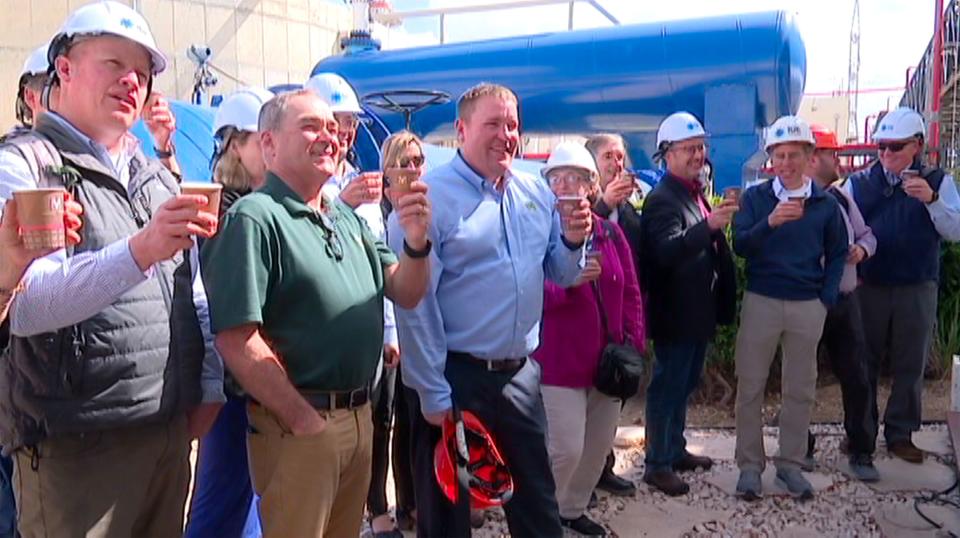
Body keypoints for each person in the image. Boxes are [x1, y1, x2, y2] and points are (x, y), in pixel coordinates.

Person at [0, 2, 226, 535]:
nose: (132, 81)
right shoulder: (28, 163)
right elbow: (27, 306)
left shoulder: (153, 175)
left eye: (143, 73)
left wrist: (211, 381)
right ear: (65, 69)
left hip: (167, 436)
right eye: (113, 63)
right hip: (78, 452)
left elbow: (192, 288)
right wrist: (140, 250)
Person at [201, 89, 432, 538]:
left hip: (358, 419)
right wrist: (302, 418)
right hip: (300, 427)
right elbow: (235, 338)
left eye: (333, 128)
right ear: (267, 144)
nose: (330, 137)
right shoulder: (255, 218)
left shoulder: (345, 217)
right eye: (311, 126)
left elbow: (406, 291)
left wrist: (418, 241)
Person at [389, 82, 592, 538]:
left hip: (520, 375)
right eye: (493, 124)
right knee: (447, 517)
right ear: (461, 130)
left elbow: (558, 273)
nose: (506, 134)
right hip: (454, 378)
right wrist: (432, 393)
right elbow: (415, 306)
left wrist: (574, 241)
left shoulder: (534, 193)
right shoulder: (428, 200)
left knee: (538, 508)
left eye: (513, 124)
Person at [306, 73, 411, 536]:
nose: (344, 133)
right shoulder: (304, 186)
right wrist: (342, 204)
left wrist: (389, 331)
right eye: (337, 122)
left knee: (375, 424)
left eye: (349, 124)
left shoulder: (352, 181)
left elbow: (378, 263)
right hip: (318, 362)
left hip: (367, 337)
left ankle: (370, 510)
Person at [731, 115, 848, 501]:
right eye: (779, 155)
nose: (786, 163)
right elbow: (742, 246)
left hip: (806, 305)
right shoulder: (757, 199)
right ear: (771, 158)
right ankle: (750, 466)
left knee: (800, 389)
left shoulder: (825, 205)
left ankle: (791, 466)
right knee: (750, 385)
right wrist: (770, 222)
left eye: (793, 154)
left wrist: (825, 299)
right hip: (762, 300)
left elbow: (837, 254)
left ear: (809, 156)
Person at [534, 141, 645, 537]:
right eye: (558, 178)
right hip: (560, 361)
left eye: (577, 178)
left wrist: (634, 339)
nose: (566, 185)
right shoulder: (537, 233)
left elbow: (630, 288)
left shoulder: (611, 234)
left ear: (591, 186)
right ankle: (540, 514)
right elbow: (525, 291)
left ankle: (571, 509)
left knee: (597, 447)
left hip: (607, 360)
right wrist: (566, 284)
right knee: (565, 448)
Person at [845, 107, 960, 463]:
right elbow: (841, 228)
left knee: (911, 364)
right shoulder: (858, 183)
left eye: (895, 147)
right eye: (881, 147)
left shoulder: (939, 182)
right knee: (862, 364)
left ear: (918, 146)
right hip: (870, 284)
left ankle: (901, 434)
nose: (886, 155)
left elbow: (955, 231)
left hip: (916, 284)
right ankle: (860, 435)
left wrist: (932, 201)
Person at [184, 86, 274, 538]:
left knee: (248, 502)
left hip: (259, 379)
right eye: (264, 137)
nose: (274, 146)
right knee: (222, 500)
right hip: (236, 378)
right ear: (237, 144)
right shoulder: (228, 211)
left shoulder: (267, 206)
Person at [640, 112, 738, 496]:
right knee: (667, 387)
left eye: (701, 147)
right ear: (667, 154)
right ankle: (657, 463)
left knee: (683, 385)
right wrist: (709, 226)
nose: (699, 155)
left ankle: (674, 449)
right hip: (674, 313)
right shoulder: (663, 199)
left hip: (695, 312)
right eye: (690, 149)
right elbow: (665, 252)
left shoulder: (690, 192)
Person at [795, 124, 880, 481]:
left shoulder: (843, 199)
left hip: (844, 303)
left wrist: (861, 250)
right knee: (800, 380)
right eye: (833, 155)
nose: (837, 162)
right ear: (813, 158)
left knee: (857, 376)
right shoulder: (790, 203)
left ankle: (861, 449)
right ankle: (799, 448)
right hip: (805, 303)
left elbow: (867, 235)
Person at [361, 130, 424, 537]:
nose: (412, 169)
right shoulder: (373, 212)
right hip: (387, 332)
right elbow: (379, 276)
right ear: (386, 171)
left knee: (409, 423)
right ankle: (376, 508)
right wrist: (389, 333)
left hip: (416, 330)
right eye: (403, 162)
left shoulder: (424, 208)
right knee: (381, 421)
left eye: (417, 160)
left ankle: (410, 503)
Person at [585, 133, 642, 498]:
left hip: (618, 324)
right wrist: (604, 204)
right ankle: (580, 477)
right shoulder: (582, 204)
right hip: (587, 323)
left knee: (610, 401)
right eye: (608, 157)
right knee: (584, 409)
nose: (616, 164)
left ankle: (601, 467)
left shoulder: (630, 207)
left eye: (621, 157)